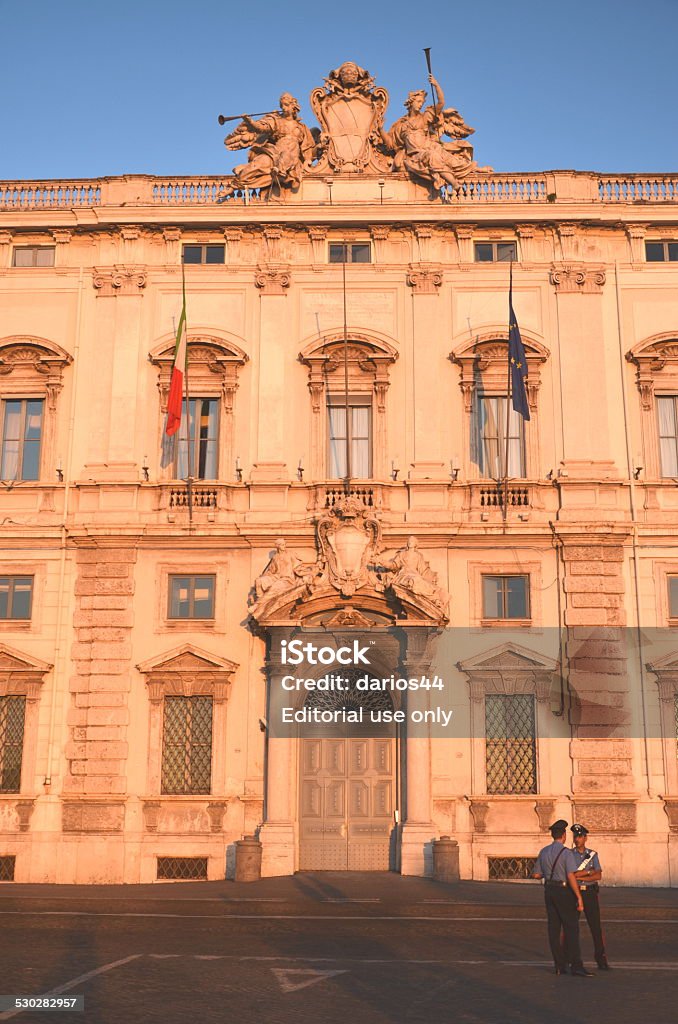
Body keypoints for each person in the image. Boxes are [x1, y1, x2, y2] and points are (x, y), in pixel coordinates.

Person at [533, 819, 593, 976]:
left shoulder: (544, 851)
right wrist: (579, 897)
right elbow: (571, 876)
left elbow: (536, 874)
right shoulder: (566, 853)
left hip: (549, 890)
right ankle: (576, 965)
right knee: (571, 929)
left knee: (553, 929)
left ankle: (559, 966)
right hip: (564, 891)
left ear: (553, 835)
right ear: (564, 835)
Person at [569, 823, 610, 970]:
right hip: (575, 892)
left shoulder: (593, 854)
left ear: (585, 838)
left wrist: (582, 875)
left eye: (580, 836)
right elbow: (571, 875)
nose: (577, 839)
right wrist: (588, 872)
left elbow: (598, 875)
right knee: (571, 927)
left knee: (596, 927)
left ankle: (601, 959)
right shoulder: (569, 854)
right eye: (575, 836)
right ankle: (571, 959)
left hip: (590, 893)